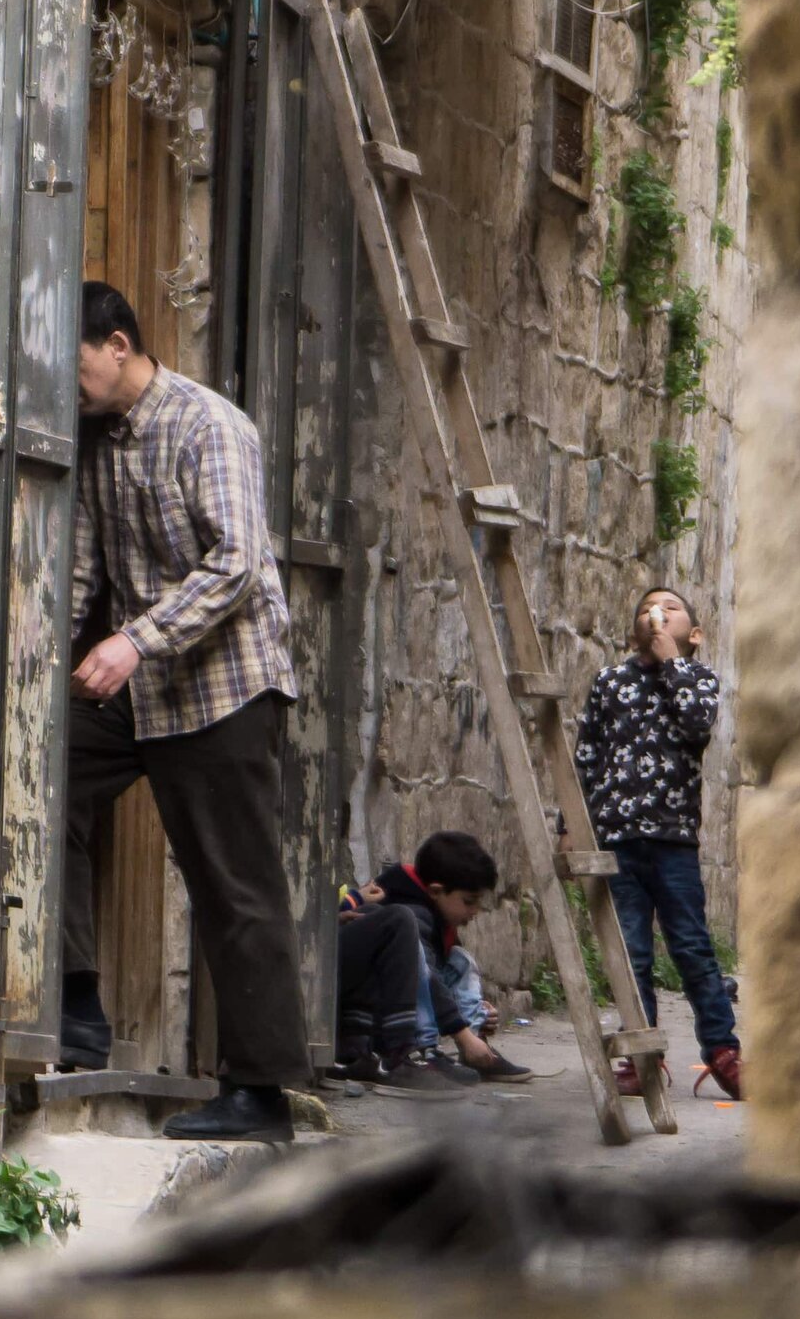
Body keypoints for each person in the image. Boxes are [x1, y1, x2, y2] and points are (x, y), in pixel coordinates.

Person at [61, 282, 313, 1142]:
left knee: (232, 885)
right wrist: (41, 663)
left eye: (78, 362)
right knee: (39, 764)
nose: (70, 382)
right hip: (145, 688)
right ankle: (71, 1001)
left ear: (120, 345)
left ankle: (263, 1094)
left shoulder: (211, 426)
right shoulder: (95, 444)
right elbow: (85, 570)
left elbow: (238, 562)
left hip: (225, 686)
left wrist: (134, 641)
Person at [572, 585, 744, 1102]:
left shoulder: (699, 680)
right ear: (633, 631)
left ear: (692, 634)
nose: (657, 613)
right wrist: (570, 823)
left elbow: (696, 726)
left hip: (672, 839)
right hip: (618, 838)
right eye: (649, 608)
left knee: (692, 947)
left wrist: (673, 664)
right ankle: (641, 1055)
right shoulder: (609, 682)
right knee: (631, 953)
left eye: (670, 609)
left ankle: (721, 1052)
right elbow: (586, 755)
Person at [336, 829, 533, 1089]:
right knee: (418, 952)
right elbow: (425, 976)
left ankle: (477, 1049)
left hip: (389, 1001)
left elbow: (441, 973)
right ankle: (424, 1051)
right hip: (378, 1018)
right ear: (436, 891)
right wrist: (460, 1031)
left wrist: (475, 1012)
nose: (475, 912)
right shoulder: (413, 913)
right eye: (468, 901)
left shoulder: (435, 915)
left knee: (459, 961)